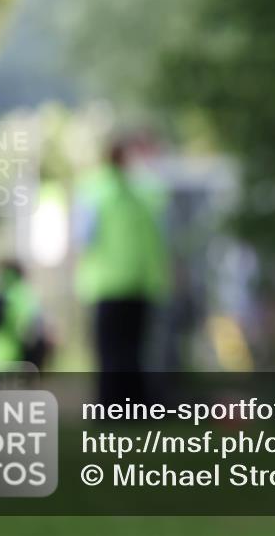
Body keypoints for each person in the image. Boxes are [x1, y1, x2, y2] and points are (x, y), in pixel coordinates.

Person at [74, 136, 169, 406]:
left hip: (105, 284)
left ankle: (110, 406)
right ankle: (134, 407)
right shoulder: (147, 193)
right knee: (134, 351)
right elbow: (161, 238)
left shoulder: (93, 191)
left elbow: (84, 237)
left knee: (109, 352)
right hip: (141, 283)